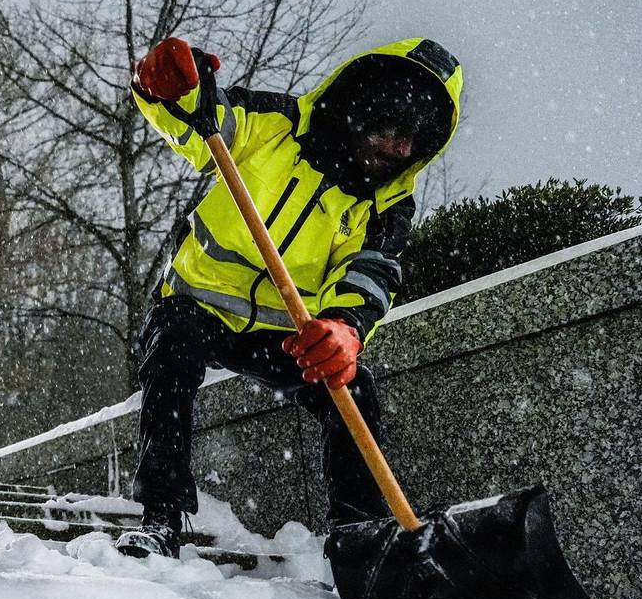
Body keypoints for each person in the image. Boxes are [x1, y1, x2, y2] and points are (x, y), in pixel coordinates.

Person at [117, 36, 463, 557]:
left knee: (355, 394)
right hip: (197, 304)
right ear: (364, 107)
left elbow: (369, 273)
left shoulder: (387, 207)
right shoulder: (274, 124)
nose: (401, 149)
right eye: (394, 129)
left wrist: (344, 329)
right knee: (173, 347)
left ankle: (357, 540)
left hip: (284, 334)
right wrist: (165, 85)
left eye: (415, 141)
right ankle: (161, 515)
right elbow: (197, 116)